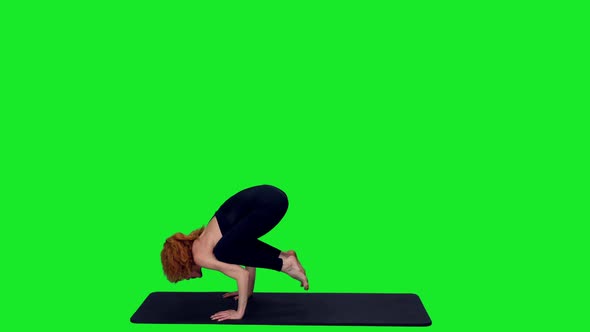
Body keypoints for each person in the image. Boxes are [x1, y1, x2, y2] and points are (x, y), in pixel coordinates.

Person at [160, 184, 309, 322]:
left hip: (269, 204)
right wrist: (247, 292)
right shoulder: (204, 240)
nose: (188, 278)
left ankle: (285, 264)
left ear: (182, 265)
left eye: (184, 277)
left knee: (223, 252)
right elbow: (247, 254)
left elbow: (241, 274)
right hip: (271, 197)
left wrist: (239, 313)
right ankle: (285, 257)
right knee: (230, 248)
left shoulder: (201, 256)